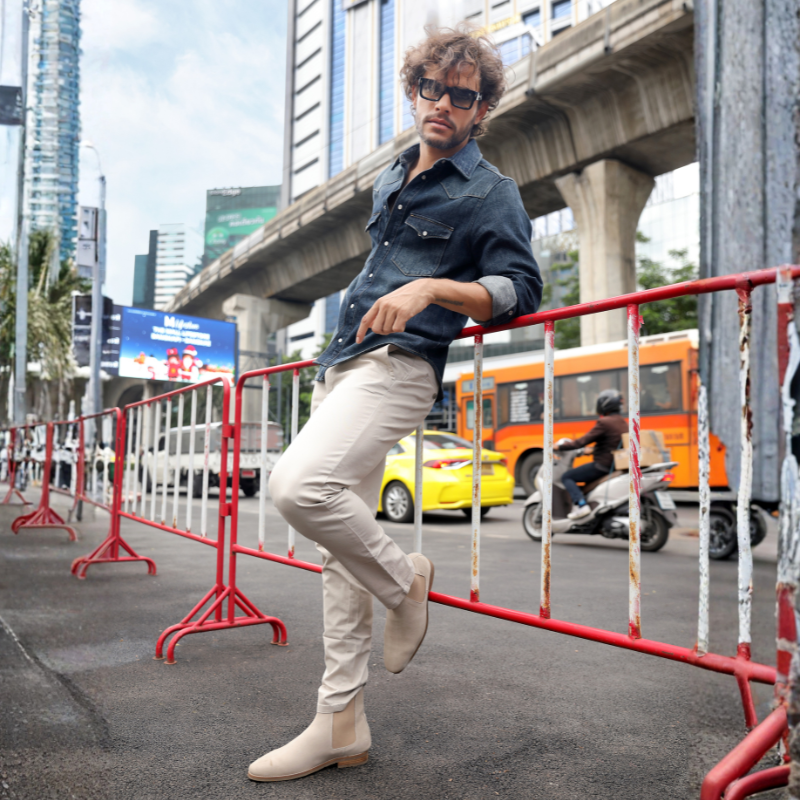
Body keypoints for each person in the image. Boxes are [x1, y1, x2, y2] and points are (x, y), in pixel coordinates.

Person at [248, 25, 543, 782]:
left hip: (402, 367)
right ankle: (339, 721)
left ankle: (405, 581)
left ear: (482, 109)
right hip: (343, 364)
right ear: (414, 90)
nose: (443, 102)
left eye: (462, 94)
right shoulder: (393, 173)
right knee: (335, 550)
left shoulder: (491, 192)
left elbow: (520, 290)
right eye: (430, 87)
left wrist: (433, 288)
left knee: (295, 486)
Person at [556, 389, 628, 520]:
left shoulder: (605, 422)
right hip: (615, 464)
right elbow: (611, 443)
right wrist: (592, 451)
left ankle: (581, 505)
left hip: (602, 465)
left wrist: (559, 446)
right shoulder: (622, 422)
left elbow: (581, 442)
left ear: (604, 405)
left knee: (567, 477)